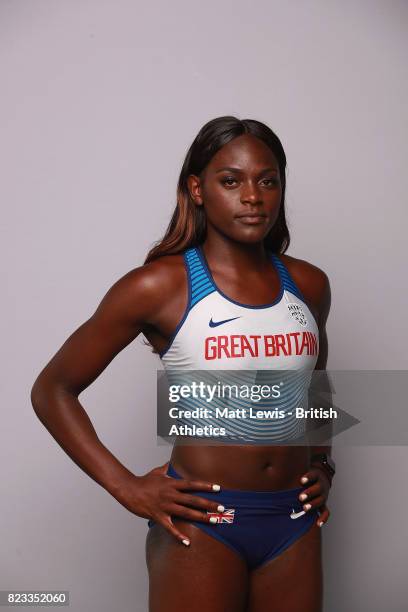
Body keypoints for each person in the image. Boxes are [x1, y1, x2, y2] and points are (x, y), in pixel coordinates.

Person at [31, 116, 334, 612]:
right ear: (197, 188)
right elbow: (52, 389)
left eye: (268, 180)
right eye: (231, 180)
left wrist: (324, 464)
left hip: (293, 520)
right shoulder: (158, 286)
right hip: (205, 521)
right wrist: (126, 487)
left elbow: (316, 384)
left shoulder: (310, 284)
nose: (252, 196)